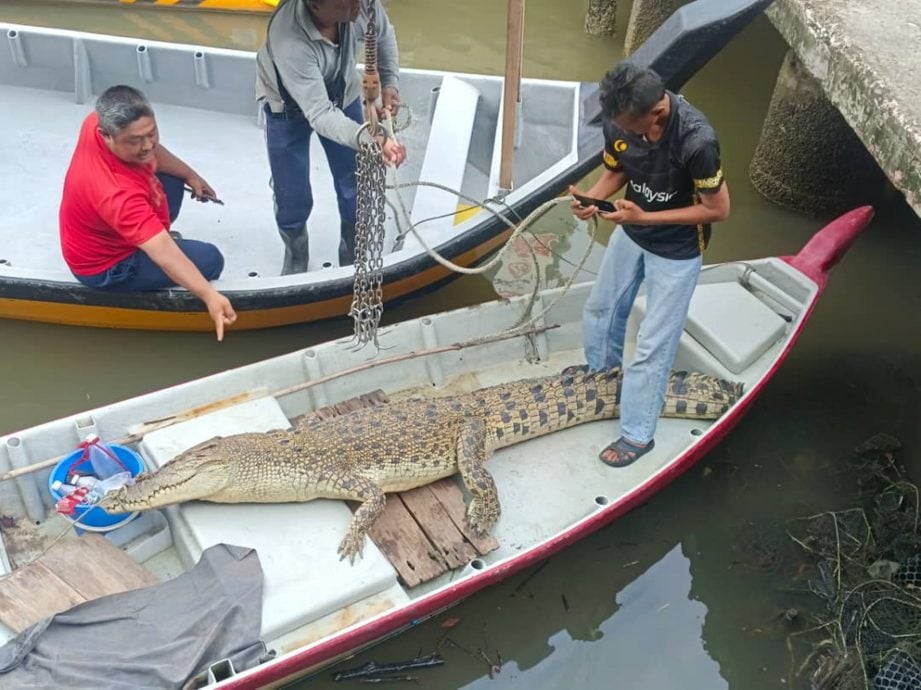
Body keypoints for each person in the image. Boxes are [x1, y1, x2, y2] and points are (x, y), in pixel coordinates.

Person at [568, 63, 730, 468]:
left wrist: (643, 218)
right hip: (631, 230)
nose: (625, 133)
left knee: (653, 345)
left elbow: (718, 209)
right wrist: (591, 198)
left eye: (632, 128)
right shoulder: (619, 122)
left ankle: (638, 433)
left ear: (657, 112)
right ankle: (602, 377)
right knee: (601, 310)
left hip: (676, 250)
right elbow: (617, 170)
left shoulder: (697, 141)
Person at [60, 85, 236, 341]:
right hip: (107, 265)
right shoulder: (115, 194)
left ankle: (146, 235)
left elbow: (152, 151)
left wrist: (190, 175)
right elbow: (164, 251)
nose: (147, 145)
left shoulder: (96, 121)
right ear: (106, 135)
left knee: (173, 181)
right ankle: (144, 243)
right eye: (135, 141)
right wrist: (210, 297)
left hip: (103, 227)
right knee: (210, 259)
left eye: (152, 133)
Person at [256, 0, 407, 275]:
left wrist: (390, 83)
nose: (357, 7)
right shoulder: (289, 39)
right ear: (315, 6)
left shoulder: (362, 5)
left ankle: (350, 252)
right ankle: (296, 251)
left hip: (342, 91)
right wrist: (370, 139)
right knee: (291, 192)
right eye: (345, 4)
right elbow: (320, 114)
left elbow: (384, 35)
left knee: (354, 182)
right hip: (287, 109)